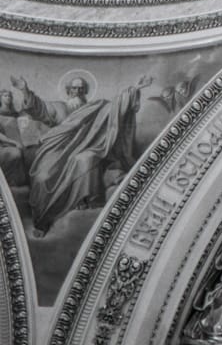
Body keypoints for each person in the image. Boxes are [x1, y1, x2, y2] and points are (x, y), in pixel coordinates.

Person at [10, 73, 152, 235]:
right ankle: (42, 219)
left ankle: (85, 200)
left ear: (85, 91)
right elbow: (38, 108)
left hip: (84, 147)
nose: (77, 91)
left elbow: (116, 106)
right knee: (43, 178)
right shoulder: (58, 107)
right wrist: (24, 90)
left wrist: (136, 88)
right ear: (68, 90)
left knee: (85, 159)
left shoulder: (96, 107)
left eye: (81, 88)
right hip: (57, 150)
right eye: (74, 88)